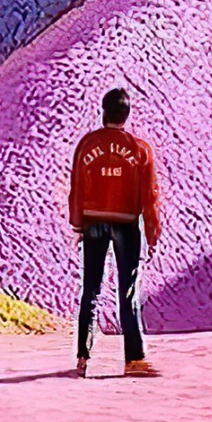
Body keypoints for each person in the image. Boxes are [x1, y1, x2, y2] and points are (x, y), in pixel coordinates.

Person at [69, 88, 161, 377]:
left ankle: (83, 357)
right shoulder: (139, 149)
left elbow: (76, 187)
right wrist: (152, 233)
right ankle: (133, 358)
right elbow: (150, 197)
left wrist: (78, 224)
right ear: (126, 115)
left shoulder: (87, 145)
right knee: (127, 290)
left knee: (91, 289)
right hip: (126, 223)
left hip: (94, 222)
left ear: (103, 111)